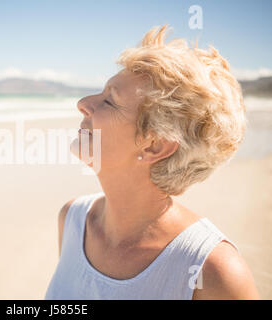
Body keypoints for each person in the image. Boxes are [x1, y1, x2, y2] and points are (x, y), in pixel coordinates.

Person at [45, 25, 260, 300]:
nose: (83, 103)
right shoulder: (73, 219)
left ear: (154, 145)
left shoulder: (213, 270)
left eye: (110, 101)